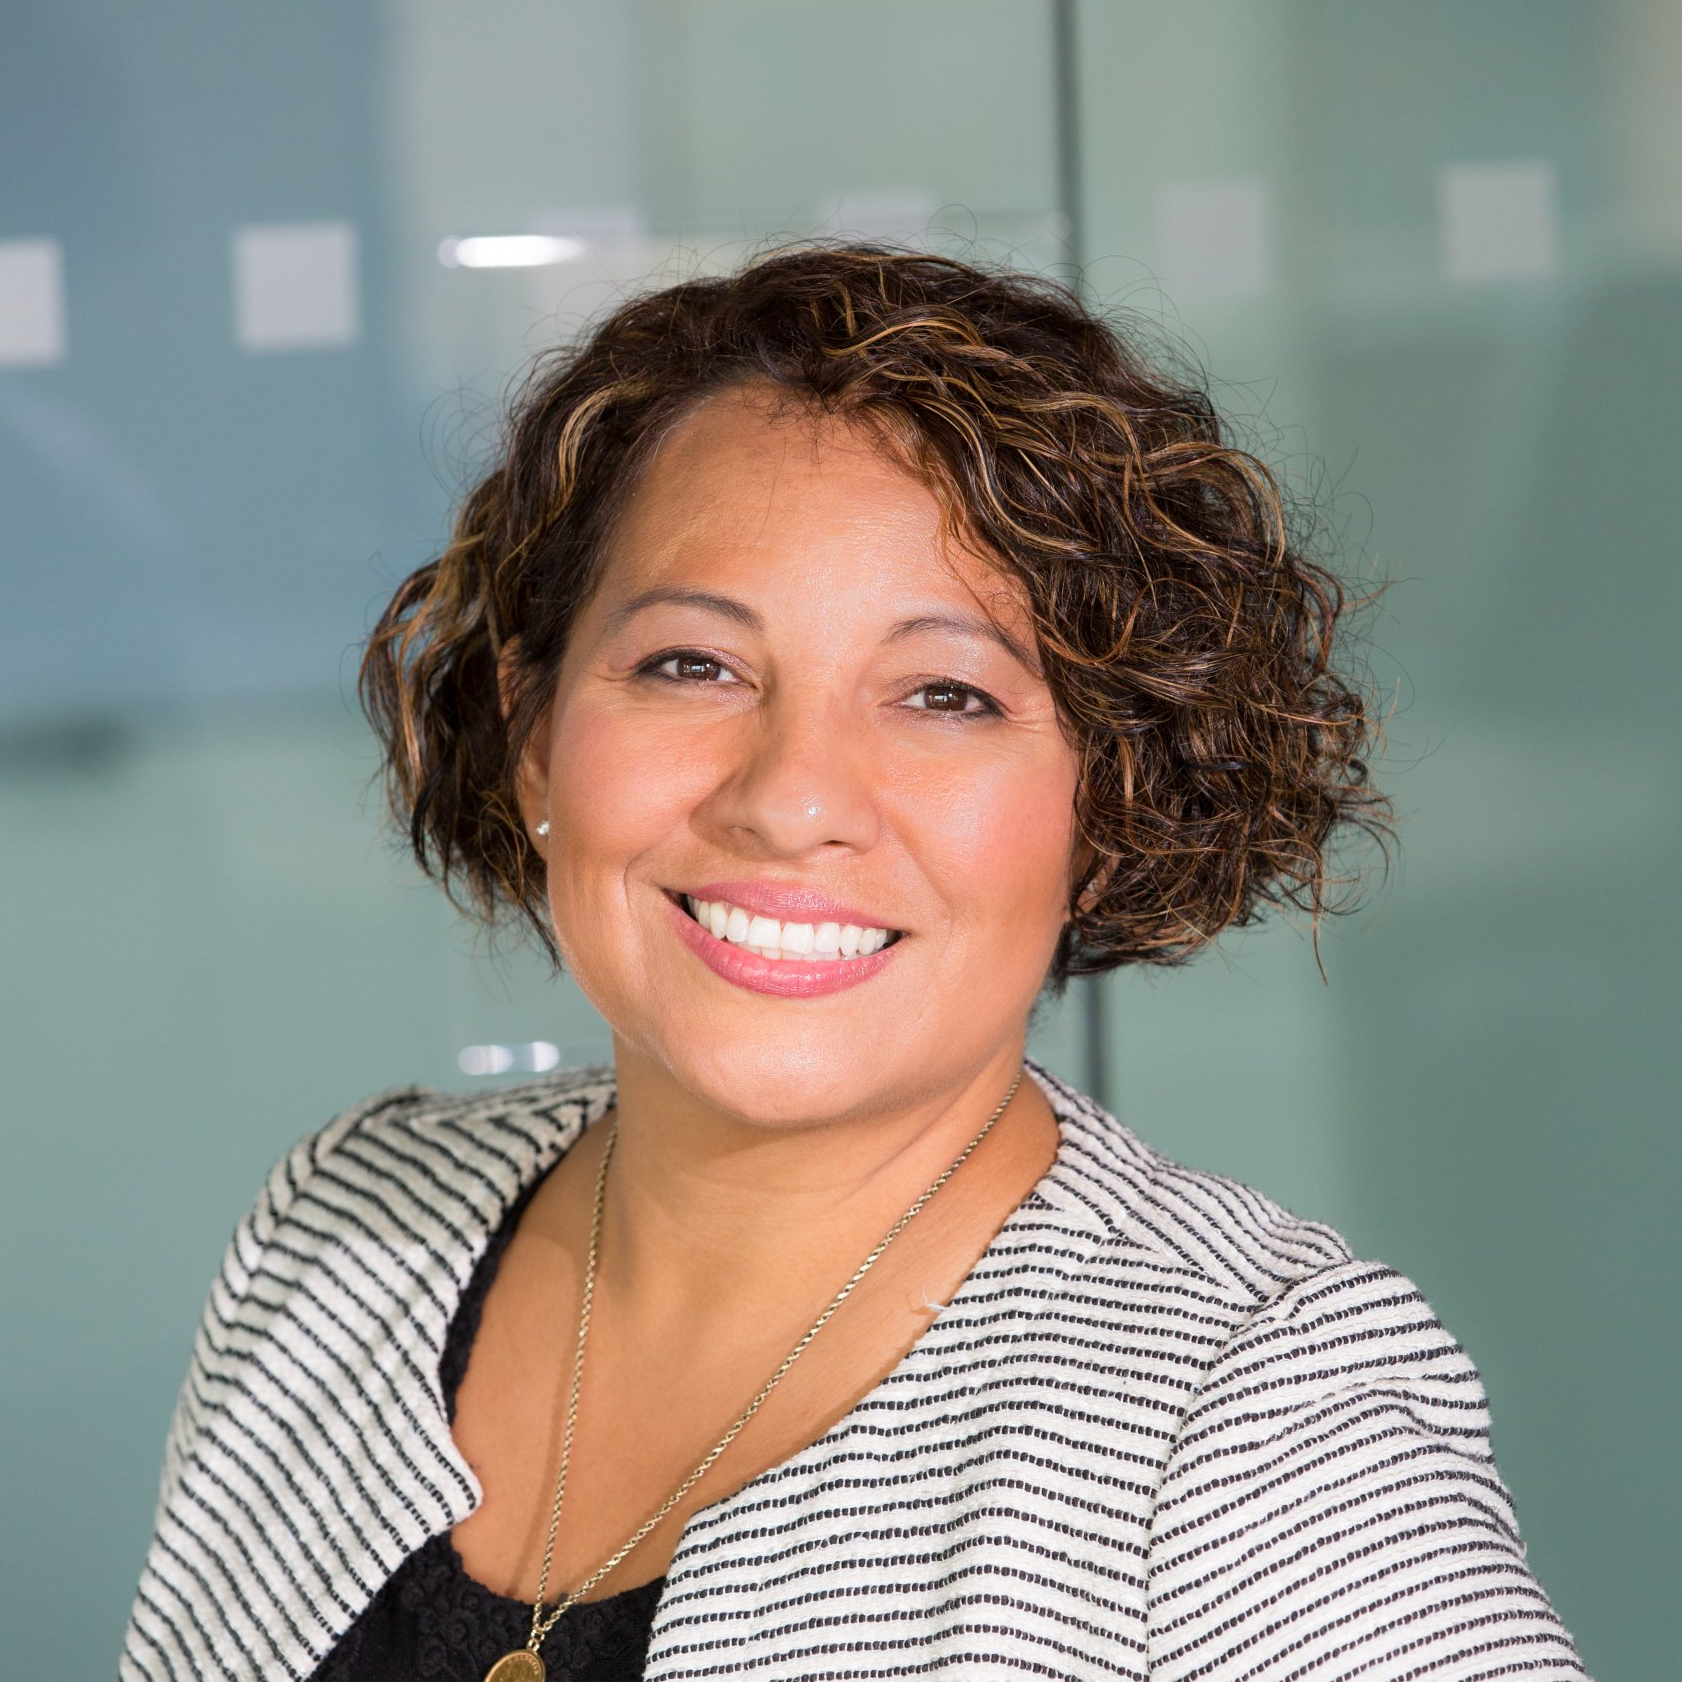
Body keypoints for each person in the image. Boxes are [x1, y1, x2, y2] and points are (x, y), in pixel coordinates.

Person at [118, 244, 1590, 1681]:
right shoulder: (341, 1232)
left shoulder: (1249, 1419)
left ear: (1104, 803)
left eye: (944, 694)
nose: (790, 794)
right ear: (531, 729)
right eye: (692, 664)